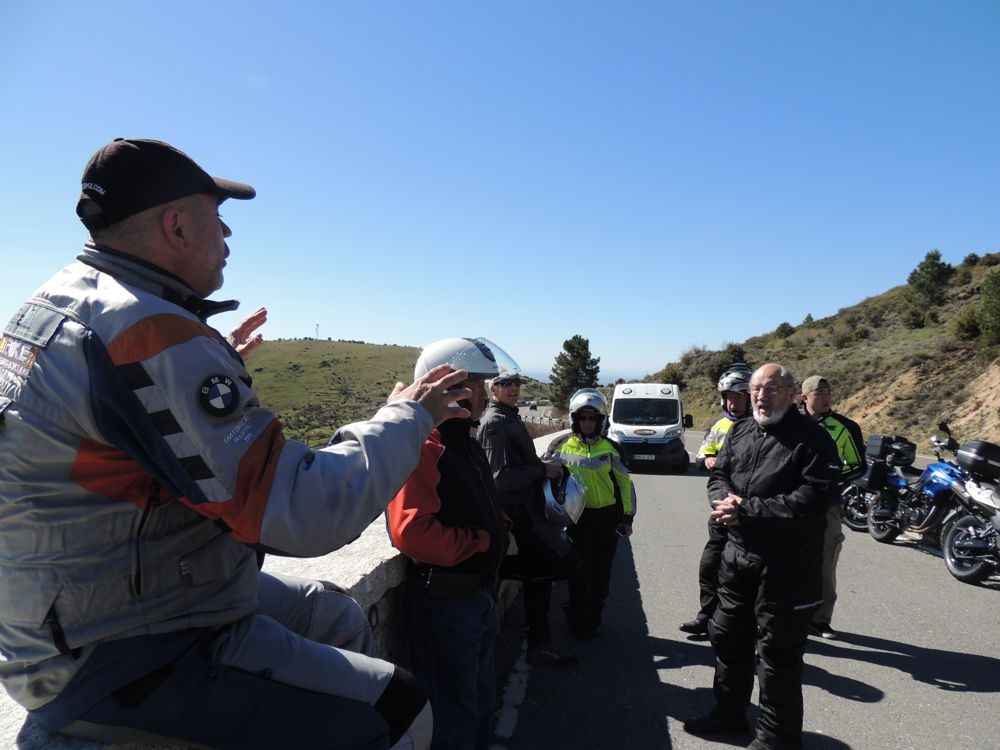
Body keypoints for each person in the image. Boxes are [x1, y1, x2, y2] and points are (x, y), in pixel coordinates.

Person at [0, 138, 477, 750]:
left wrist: (208, 360)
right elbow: (301, 513)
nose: (227, 234)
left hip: (80, 604)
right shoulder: (148, 331)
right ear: (176, 225)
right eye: (216, 217)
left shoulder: (64, 301)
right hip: (123, 646)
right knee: (401, 707)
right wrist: (407, 415)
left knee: (332, 612)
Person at [683, 363, 841, 750]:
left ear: (791, 394)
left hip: (787, 565)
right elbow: (719, 474)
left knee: (777, 654)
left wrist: (748, 509)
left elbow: (813, 498)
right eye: (756, 389)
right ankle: (728, 713)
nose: (760, 396)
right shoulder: (740, 430)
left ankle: (777, 738)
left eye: (770, 389)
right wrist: (724, 502)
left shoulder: (813, 439)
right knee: (727, 639)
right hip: (738, 557)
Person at [386, 338, 508, 750]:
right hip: (447, 601)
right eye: (475, 382)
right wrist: (479, 542)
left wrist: (499, 525)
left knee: (478, 701)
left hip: (476, 597)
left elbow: (475, 500)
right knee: (453, 711)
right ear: (447, 384)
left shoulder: (462, 441)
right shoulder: (426, 445)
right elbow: (411, 532)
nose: (483, 393)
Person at [476, 372, 579, 667]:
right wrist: (542, 471)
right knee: (563, 564)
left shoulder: (509, 416)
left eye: (517, 384)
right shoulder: (495, 422)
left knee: (543, 576)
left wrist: (542, 467)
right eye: (506, 384)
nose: (513, 388)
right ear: (493, 388)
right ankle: (501, 571)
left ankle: (539, 645)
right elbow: (498, 479)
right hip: (518, 518)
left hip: (529, 513)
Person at [541, 389, 634, 640]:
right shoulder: (560, 445)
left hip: (607, 520)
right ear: (575, 419)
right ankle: (578, 619)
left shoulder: (613, 448)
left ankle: (594, 618)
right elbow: (543, 480)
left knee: (602, 573)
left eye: (593, 419)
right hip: (576, 520)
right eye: (583, 418)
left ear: (601, 421)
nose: (588, 423)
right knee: (580, 571)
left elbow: (625, 484)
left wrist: (627, 517)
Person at [680, 364, 753, 635]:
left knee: (744, 573)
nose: (733, 403)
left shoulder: (762, 426)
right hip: (720, 508)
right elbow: (701, 454)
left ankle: (746, 625)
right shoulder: (719, 424)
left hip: (752, 512)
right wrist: (708, 458)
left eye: (738, 397)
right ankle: (706, 616)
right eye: (729, 398)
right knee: (710, 566)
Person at [800, 375, 866, 640]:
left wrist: (827, 478)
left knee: (825, 563)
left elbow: (857, 464)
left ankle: (820, 619)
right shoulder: (789, 423)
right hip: (789, 504)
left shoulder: (845, 426)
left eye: (829, 392)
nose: (827, 397)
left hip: (827, 504)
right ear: (804, 397)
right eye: (820, 392)